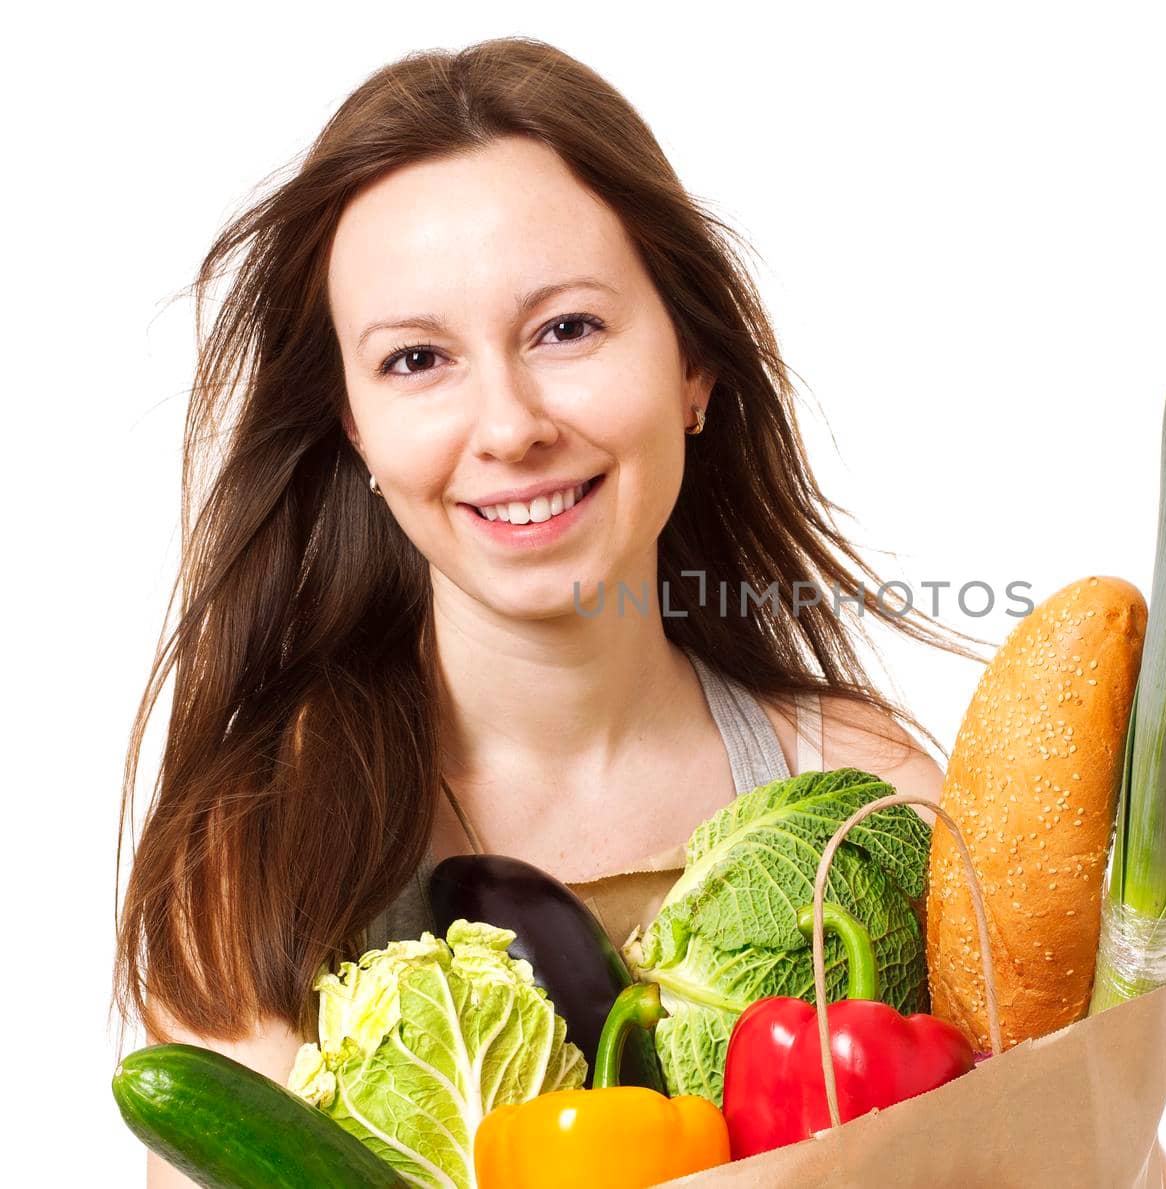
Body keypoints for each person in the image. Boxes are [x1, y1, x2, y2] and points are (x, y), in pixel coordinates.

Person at [113, 37, 992, 1188]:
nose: (510, 422)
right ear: (355, 431)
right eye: (418, 358)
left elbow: (1096, 1146)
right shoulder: (268, 860)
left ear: (693, 367)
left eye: (566, 328)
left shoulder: (866, 804)